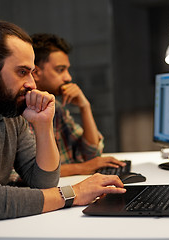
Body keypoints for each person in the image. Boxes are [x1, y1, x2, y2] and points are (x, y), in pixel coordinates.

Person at [0, 17, 126, 240]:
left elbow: (43, 182)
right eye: (22, 72)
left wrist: (43, 125)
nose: (32, 83)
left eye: (31, 72)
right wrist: (75, 192)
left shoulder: (10, 113)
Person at [31, 33, 125, 176]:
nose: (68, 77)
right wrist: (81, 168)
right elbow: (24, 173)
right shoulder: (20, 115)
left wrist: (84, 107)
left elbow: (91, 154)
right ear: (36, 72)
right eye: (60, 70)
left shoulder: (57, 108)